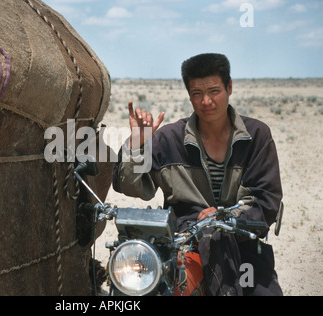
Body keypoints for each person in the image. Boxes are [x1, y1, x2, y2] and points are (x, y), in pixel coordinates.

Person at [112, 53, 283, 296]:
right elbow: (131, 186)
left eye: (214, 91)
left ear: (229, 87)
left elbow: (266, 202)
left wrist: (224, 217)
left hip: (242, 243)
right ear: (189, 95)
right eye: (196, 93)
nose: (206, 101)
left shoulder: (257, 136)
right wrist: (137, 145)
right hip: (185, 245)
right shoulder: (169, 139)